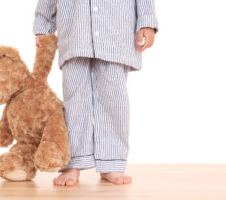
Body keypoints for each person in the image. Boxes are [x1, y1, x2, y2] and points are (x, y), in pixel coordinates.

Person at [33, 0, 158, 186]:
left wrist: (147, 22)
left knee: (114, 100)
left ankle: (112, 161)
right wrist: (43, 24)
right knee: (74, 101)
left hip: (115, 33)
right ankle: (72, 162)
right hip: (75, 33)